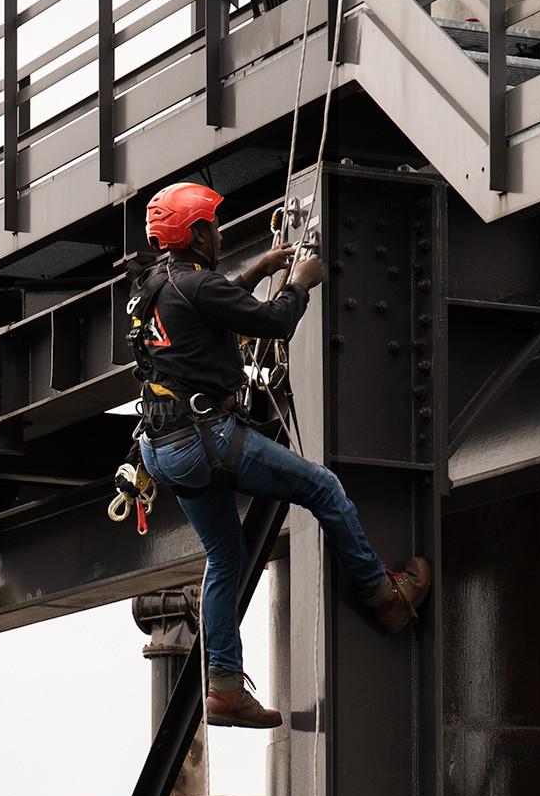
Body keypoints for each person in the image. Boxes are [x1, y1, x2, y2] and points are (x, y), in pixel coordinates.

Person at [128, 182, 431, 729]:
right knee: (324, 488)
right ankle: (383, 596)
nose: (218, 234)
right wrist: (299, 285)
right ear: (195, 234)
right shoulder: (196, 285)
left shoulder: (156, 284)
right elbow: (272, 323)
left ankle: (221, 687)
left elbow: (208, 306)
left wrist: (258, 270)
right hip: (204, 437)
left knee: (224, 558)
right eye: (213, 226)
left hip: (162, 448)